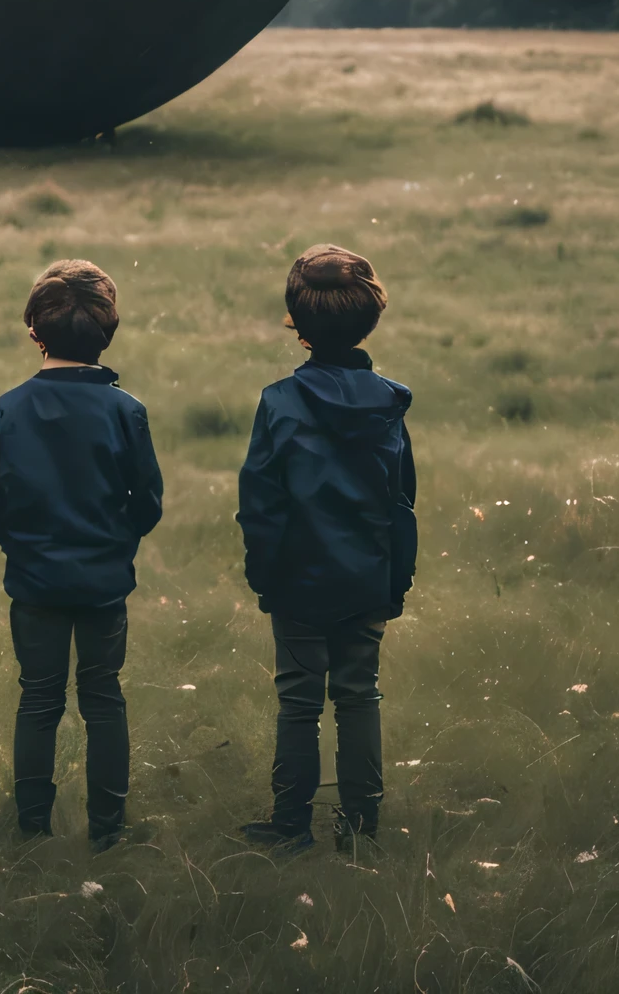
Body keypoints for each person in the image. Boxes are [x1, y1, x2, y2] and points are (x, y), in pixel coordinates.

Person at [236, 244, 418, 852]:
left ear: (298, 325)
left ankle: (291, 825)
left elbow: (260, 502)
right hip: (367, 576)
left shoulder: (278, 402)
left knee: (298, 702)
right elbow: (402, 503)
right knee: (359, 695)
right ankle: (362, 827)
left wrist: (266, 577)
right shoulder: (391, 404)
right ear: (370, 318)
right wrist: (398, 580)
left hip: (297, 579)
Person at [0, 259, 162, 847]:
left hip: (34, 583)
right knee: (104, 696)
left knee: (39, 697)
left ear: (34, 330)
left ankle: (32, 828)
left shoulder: (9, 408)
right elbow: (148, 501)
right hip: (105, 582)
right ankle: (108, 829)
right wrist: (116, 542)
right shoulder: (125, 410)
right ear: (109, 333)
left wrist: (24, 548)